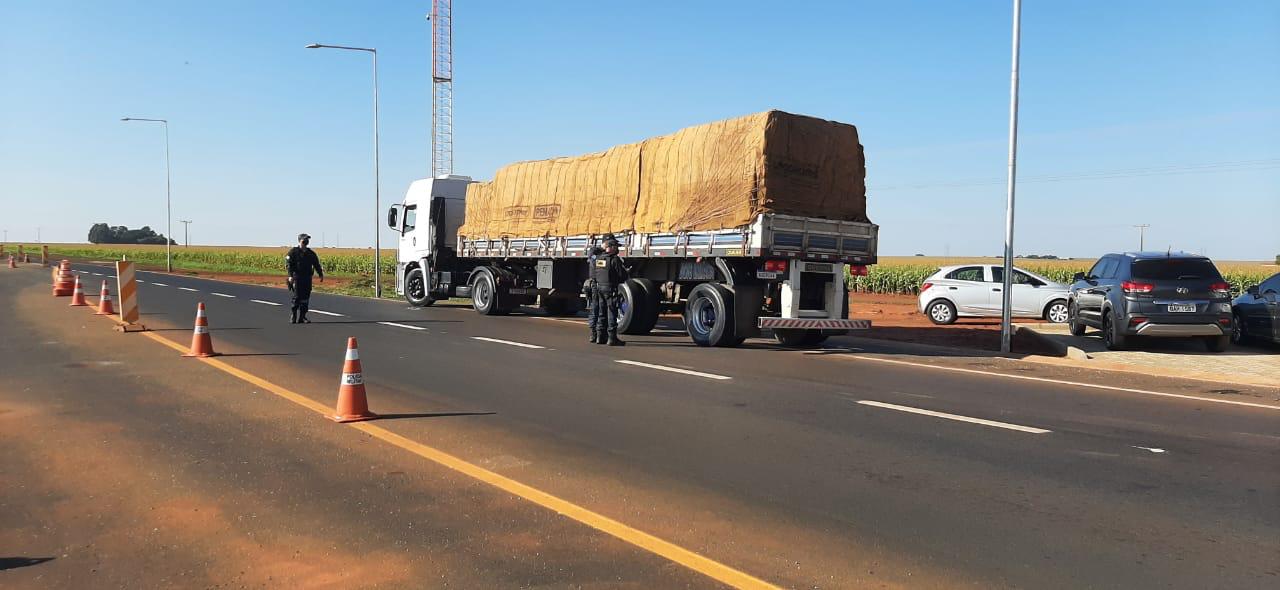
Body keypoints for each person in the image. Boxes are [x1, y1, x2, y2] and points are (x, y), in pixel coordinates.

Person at [590, 236, 629, 346]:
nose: (618, 249)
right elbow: (622, 276)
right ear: (610, 247)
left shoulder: (599, 258)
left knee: (602, 312)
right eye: (616, 247)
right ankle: (612, 338)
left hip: (599, 288)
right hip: (610, 289)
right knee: (612, 312)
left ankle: (599, 337)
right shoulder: (614, 259)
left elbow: (596, 273)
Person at [285, 233, 324, 324]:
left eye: (307, 240)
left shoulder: (311, 253)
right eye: (304, 240)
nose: (306, 241)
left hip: (307, 278)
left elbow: (316, 264)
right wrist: (290, 276)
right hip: (297, 277)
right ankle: (294, 315)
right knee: (297, 297)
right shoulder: (293, 252)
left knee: (305, 298)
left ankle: (302, 316)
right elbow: (289, 265)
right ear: (300, 241)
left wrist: (320, 274)